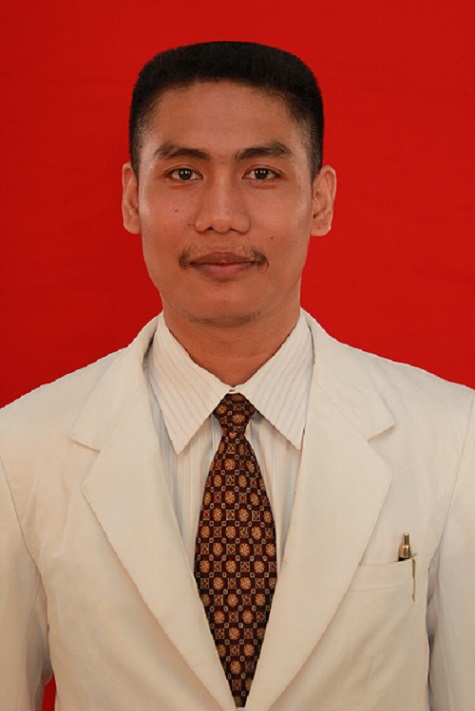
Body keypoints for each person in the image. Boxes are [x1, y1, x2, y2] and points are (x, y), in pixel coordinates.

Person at [0, 41, 473, 711]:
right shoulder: (20, 451)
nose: (220, 215)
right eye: (183, 174)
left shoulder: (452, 440)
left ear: (320, 200)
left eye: (261, 173)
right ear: (133, 197)